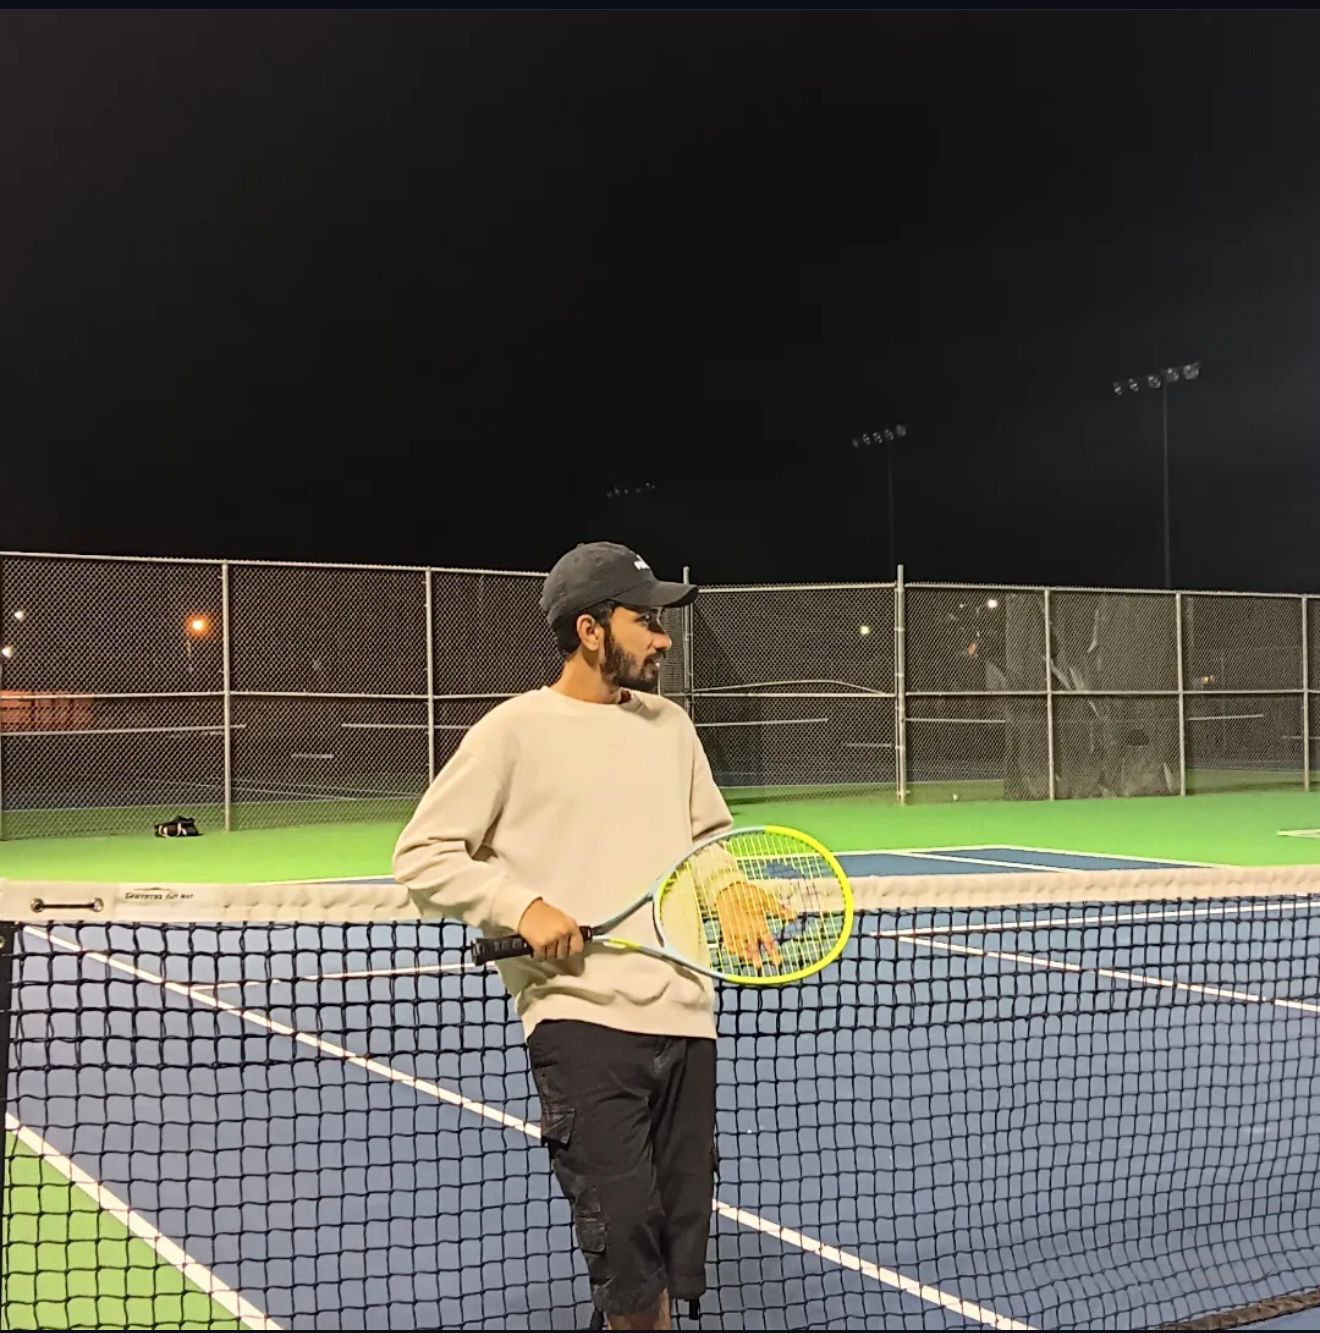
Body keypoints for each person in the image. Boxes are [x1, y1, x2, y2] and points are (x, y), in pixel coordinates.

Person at [393, 541, 732, 1331]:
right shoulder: (513, 732)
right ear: (590, 628)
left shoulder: (672, 728)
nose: (664, 638)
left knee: (662, 1265)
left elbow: (709, 846)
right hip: (580, 1023)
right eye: (645, 620)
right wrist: (522, 904)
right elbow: (421, 856)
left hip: (686, 1018)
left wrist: (736, 894)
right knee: (627, 1264)